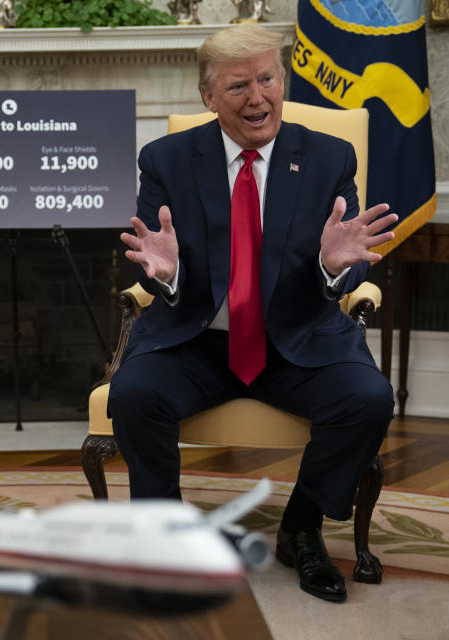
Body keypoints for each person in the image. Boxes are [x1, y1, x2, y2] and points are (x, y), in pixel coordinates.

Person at [107, 24, 396, 603]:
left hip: (297, 337)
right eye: (238, 86)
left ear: (282, 81)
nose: (258, 97)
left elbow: (349, 254)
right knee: (134, 393)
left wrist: (333, 266)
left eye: (267, 79)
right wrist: (167, 275)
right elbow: (154, 252)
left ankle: (302, 528)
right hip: (197, 341)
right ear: (208, 97)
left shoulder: (328, 157)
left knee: (368, 400)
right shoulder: (165, 159)